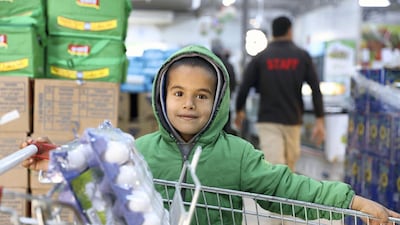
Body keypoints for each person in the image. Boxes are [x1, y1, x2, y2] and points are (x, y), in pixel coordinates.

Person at [22, 45, 399, 225]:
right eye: (178, 94)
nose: (189, 104)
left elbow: (288, 188)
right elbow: (95, 169)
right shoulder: (140, 150)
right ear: (161, 97)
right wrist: (53, 155)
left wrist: (354, 203)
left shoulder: (237, 154)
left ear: (218, 101)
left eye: (202, 96)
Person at [235, 15, 325, 171]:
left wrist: (239, 111)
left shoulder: (260, 58)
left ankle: (281, 195)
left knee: (276, 167)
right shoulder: (302, 56)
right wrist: (319, 120)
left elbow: (244, 86)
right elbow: (316, 89)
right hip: (293, 119)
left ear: (273, 32)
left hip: (268, 119)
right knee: (288, 168)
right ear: (290, 31)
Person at [211, 38, 237, 135]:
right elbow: (233, 84)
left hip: (210, 107)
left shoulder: (208, 64)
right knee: (225, 132)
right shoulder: (228, 65)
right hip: (225, 105)